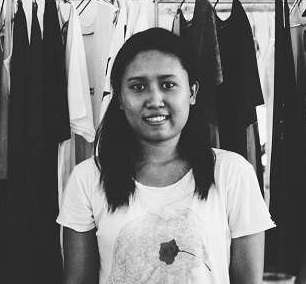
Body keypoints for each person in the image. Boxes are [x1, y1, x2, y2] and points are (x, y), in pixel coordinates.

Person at [57, 28, 275, 283]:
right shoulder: (87, 178)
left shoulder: (232, 173)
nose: (155, 99)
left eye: (168, 85)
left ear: (192, 92)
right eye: (138, 87)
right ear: (119, 98)